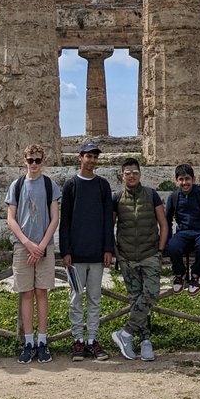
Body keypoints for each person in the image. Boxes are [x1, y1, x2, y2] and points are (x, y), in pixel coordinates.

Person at [59, 139, 114, 361]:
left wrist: (108, 248)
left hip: (97, 253)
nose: (91, 160)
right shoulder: (71, 185)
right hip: (76, 254)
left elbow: (108, 220)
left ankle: (92, 340)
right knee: (75, 297)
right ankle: (77, 341)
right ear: (79, 158)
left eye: (94, 156)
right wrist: (66, 251)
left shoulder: (103, 185)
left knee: (95, 298)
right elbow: (65, 221)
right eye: (88, 156)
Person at [5, 144, 60, 364]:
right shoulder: (16, 185)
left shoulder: (50, 185)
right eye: (30, 160)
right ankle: (28, 342)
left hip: (44, 246)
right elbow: (11, 218)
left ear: (43, 160)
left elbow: (55, 218)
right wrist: (28, 244)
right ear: (24, 160)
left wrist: (41, 246)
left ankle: (42, 341)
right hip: (23, 246)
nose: (34, 164)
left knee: (41, 293)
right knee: (26, 293)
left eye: (37, 160)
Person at [110, 158, 168, 362]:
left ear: (140, 174)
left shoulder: (152, 195)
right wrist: (117, 253)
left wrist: (160, 251)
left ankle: (125, 334)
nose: (132, 176)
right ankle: (145, 342)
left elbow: (163, 224)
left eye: (135, 172)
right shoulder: (116, 197)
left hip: (150, 254)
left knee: (151, 293)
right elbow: (111, 226)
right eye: (128, 173)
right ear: (122, 175)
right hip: (127, 257)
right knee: (136, 299)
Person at [164, 163, 200, 296]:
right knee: (173, 246)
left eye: (187, 179)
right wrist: (166, 240)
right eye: (181, 179)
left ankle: (196, 274)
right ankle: (180, 273)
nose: (184, 183)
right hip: (184, 233)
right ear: (176, 181)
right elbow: (166, 220)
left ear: (193, 179)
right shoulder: (174, 197)